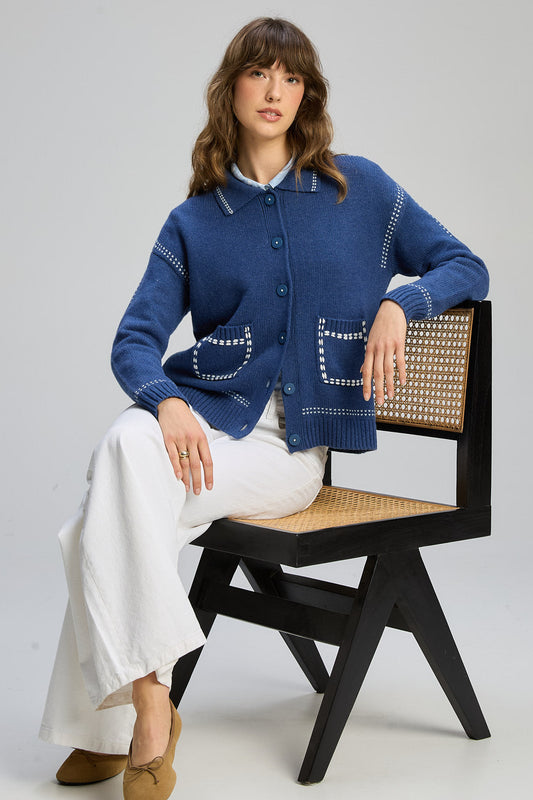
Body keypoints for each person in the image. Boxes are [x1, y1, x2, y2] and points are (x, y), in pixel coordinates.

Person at [39, 16, 489, 800]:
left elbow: (465, 264)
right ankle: (152, 705)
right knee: (124, 451)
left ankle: (114, 727)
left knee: (100, 514)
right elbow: (134, 340)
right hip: (201, 425)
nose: (274, 89)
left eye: (291, 76)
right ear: (232, 89)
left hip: (286, 452)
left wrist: (400, 304)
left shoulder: (359, 191)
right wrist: (165, 403)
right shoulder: (195, 221)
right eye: (258, 72)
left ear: (306, 93)